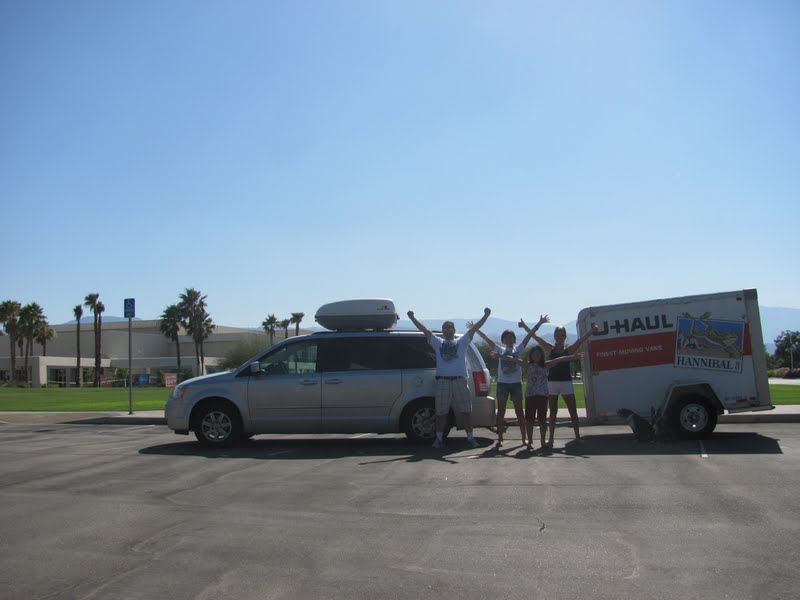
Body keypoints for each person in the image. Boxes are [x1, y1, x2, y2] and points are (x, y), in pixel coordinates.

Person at [407, 307, 491, 449]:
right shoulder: (438, 342)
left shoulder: (461, 342)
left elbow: (475, 329)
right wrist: (412, 318)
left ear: (454, 330)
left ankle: (470, 438)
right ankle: (439, 439)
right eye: (445, 328)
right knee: (441, 412)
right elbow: (425, 330)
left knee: (466, 411)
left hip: (459, 380)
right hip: (443, 381)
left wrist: (486, 315)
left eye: (450, 328)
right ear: (442, 331)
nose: (447, 330)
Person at [519, 319, 598, 447]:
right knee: (553, 412)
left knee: (572, 411)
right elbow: (536, 338)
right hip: (552, 383)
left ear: (565, 337)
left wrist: (591, 331)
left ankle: (577, 436)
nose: (559, 338)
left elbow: (580, 341)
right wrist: (525, 327)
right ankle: (550, 439)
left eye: (562, 335)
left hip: (566, 382)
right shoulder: (549, 348)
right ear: (554, 336)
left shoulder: (569, 350)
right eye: (557, 335)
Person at [475, 314, 548, 448]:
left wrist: (540, 323)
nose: (509, 339)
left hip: (516, 384)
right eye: (506, 337)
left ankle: (524, 438)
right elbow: (486, 339)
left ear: (514, 339)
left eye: (511, 337)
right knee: (501, 412)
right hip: (503, 384)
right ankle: (500, 438)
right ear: (503, 340)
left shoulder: (518, 349)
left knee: (519, 412)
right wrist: (476, 329)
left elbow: (529, 335)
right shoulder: (499, 349)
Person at [496, 345, 584, 450]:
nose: (536, 356)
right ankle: (530, 442)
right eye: (534, 354)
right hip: (530, 396)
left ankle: (543, 441)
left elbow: (560, 359)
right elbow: (513, 359)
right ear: (531, 356)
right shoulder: (528, 365)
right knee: (530, 420)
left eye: (538, 354)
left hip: (542, 396)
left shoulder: (546, 365)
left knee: (542, 420)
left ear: (541, 355)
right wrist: (500, 356)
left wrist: (574, 357)